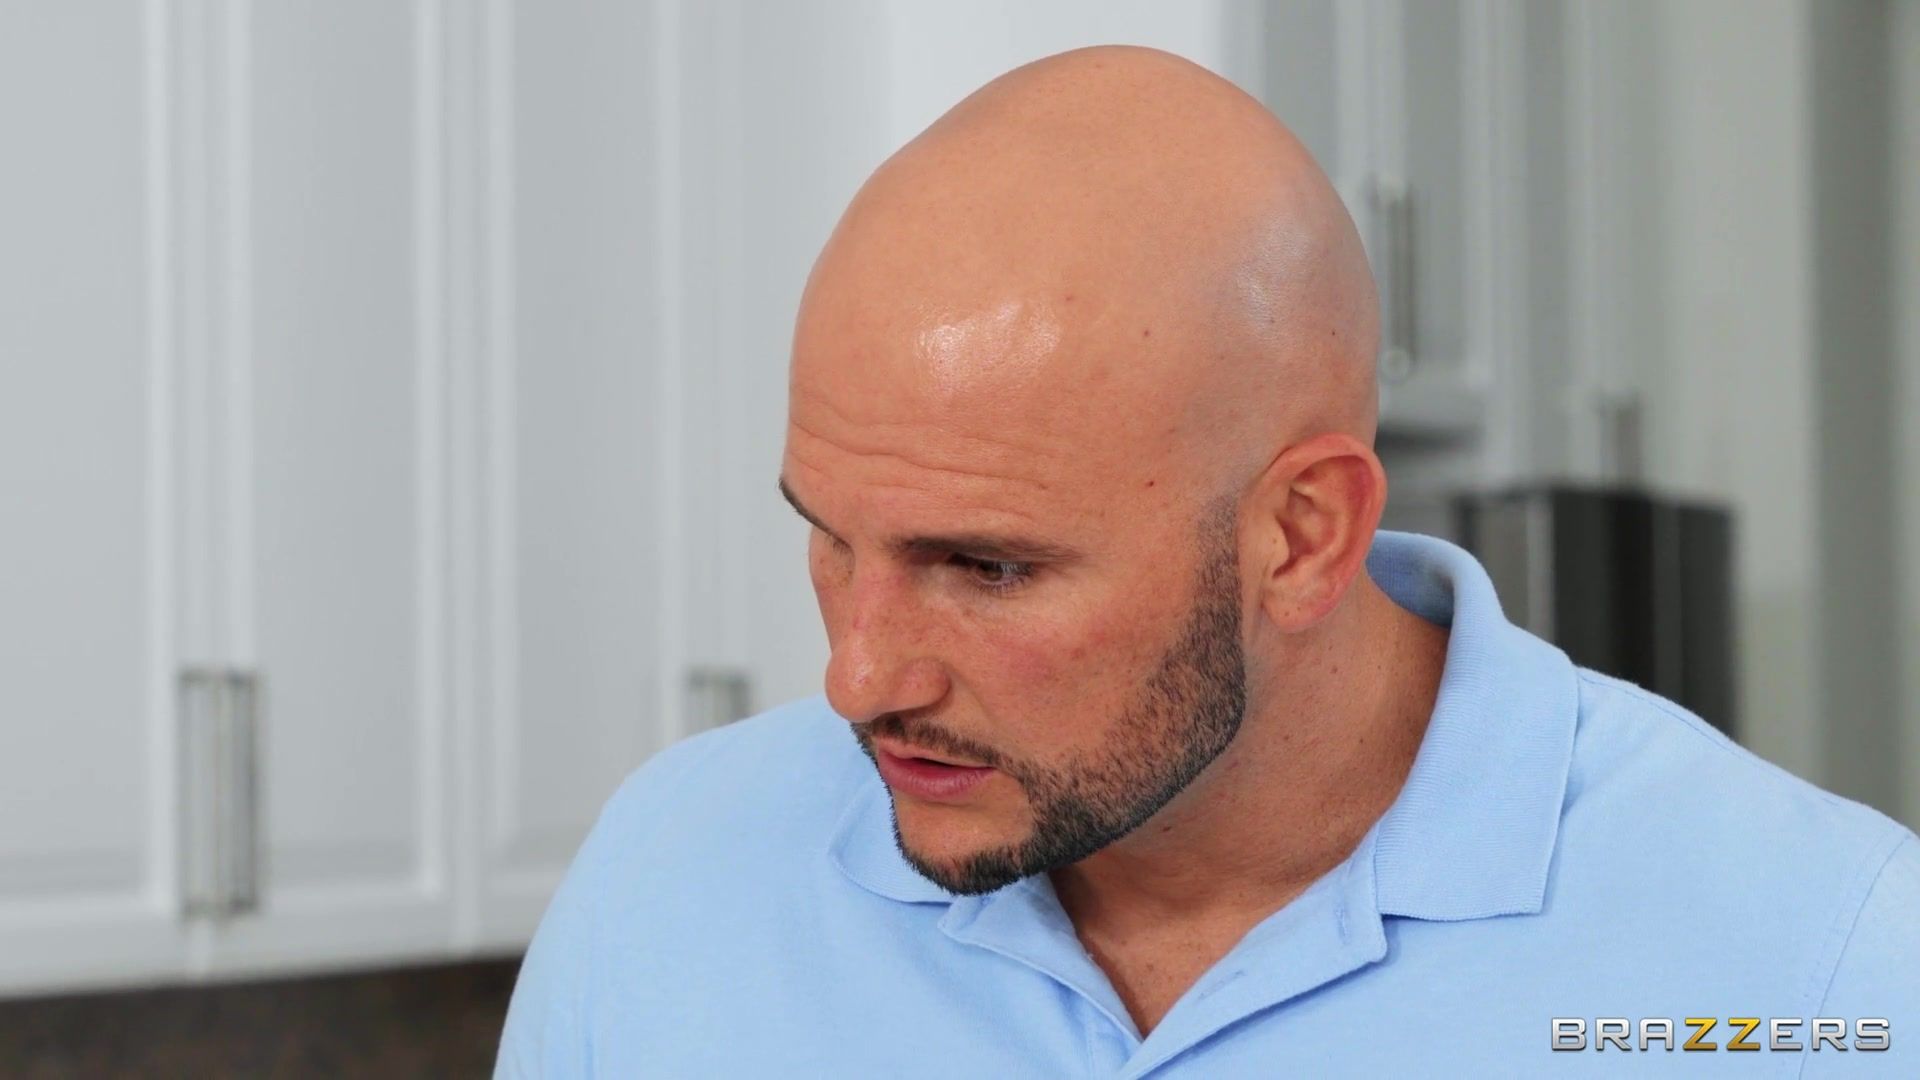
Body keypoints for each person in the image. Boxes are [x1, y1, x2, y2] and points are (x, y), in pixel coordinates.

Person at [496, 45, 1917, 1076]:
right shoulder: (669, 882)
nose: (859, 679)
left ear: (1300, 536)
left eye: (984, 568)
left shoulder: (1820, 966)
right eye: (828, 535)